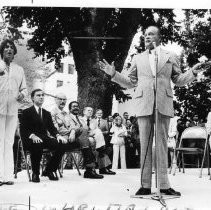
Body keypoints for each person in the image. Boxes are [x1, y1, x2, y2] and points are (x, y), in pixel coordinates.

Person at [99, 25, 208, 196]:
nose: (147, 37)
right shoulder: (138, 57)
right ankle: (145, 185)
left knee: (162, 144)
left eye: (151, 34)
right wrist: (114, 75)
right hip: (143, 103)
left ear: (159, 37)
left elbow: (178, 80)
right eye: (145, 35)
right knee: (145, 145)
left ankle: (164, 185)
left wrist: (192, 72)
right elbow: (130, 81)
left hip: (163, 103)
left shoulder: (170, 56)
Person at [20, 89, 69, 183]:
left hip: (44, 138)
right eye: (38, 95)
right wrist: (32, 136)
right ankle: (35, 173)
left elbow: (51, 128)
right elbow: (23, 129)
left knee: (62, 144)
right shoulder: (26, 112)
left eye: (42, 95)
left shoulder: (46, 113)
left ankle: (50, 170)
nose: (41, 97)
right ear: (32, 98)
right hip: (30, 139)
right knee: (37, 144)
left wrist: (58, 135)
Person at [52, 95, 103, 179]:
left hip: (76, 138)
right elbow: (58, 129)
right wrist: (72, 131)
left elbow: (78, 127)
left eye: (64, 99)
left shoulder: (72, 115)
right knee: (87, 139)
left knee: (88, 137)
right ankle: (90, 169)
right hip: (65, 138)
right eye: (60, 99)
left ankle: (90, 169)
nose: (62, 101)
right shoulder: (58, 114)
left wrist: (74, 131)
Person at [0, 39, 27, 186]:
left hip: (12, 109)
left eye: (11, 48)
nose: (9, 49)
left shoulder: (19, 69)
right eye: (6, 47)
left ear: (14, 52)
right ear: (1, 50)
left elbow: (24, 88)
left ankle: (8, 176)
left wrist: (22, 94)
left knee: (9, 142)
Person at [68, 101, 104, 178]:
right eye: (74, 106)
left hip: (83, 137)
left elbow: (86, 129)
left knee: (91, 139)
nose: (76, 108)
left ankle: (90, 170)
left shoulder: (79, 119)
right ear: (70, 108)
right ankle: (90, 170)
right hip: (72, 138)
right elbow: (70, 128)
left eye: (77, 106)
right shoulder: (68, 117)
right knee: (89, 141)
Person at [81, 107, 115, 175]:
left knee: (98, 145)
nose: (90, 112)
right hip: (83, 138)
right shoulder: (80, 119)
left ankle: (102, 168)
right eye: (88, 110)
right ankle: (103, 168)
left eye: (91, 111)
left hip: (93, 138)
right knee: (100, 147)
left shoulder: (93, 121)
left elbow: (95, 131)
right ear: (84, 112)